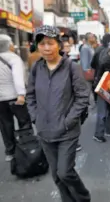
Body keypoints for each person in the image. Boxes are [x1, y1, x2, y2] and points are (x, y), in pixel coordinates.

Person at [26, 25, 91, 202]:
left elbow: (82, 97)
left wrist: (67, 121)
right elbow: (30, 95)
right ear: (37, 46)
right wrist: (35, 117)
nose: (46, 48)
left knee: (65, 172)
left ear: (59, 45)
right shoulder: (36, 68)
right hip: (44, 131)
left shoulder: (71, 67)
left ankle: (83, 197)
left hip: (66, 131)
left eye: (50, 43)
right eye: (42, 44)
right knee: (56, 175)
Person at [0, 34, 31, 162]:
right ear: (9, 46)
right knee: (24, 122)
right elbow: (18, 78)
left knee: (5, 125)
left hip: (1, 99)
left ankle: (10, 151)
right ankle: (27, 146)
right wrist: (21, 94)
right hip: (15, 97)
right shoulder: (14, 59)